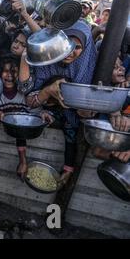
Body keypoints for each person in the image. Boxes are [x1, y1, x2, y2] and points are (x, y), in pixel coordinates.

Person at [25, 20, 98, 185]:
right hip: (46, 111)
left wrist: (83, 107)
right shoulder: (47, 59)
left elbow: (89, 109)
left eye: (77, 47)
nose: (71, 52)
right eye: (68, 44)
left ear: (85, 49)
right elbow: (31, 101)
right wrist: (48, 90)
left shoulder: (91, 65)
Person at [0, 57, 54, 178]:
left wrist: (43, 114)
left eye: (14, 71)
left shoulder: (25, 96)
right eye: (5, 71)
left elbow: (35, 115)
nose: (10, 75)